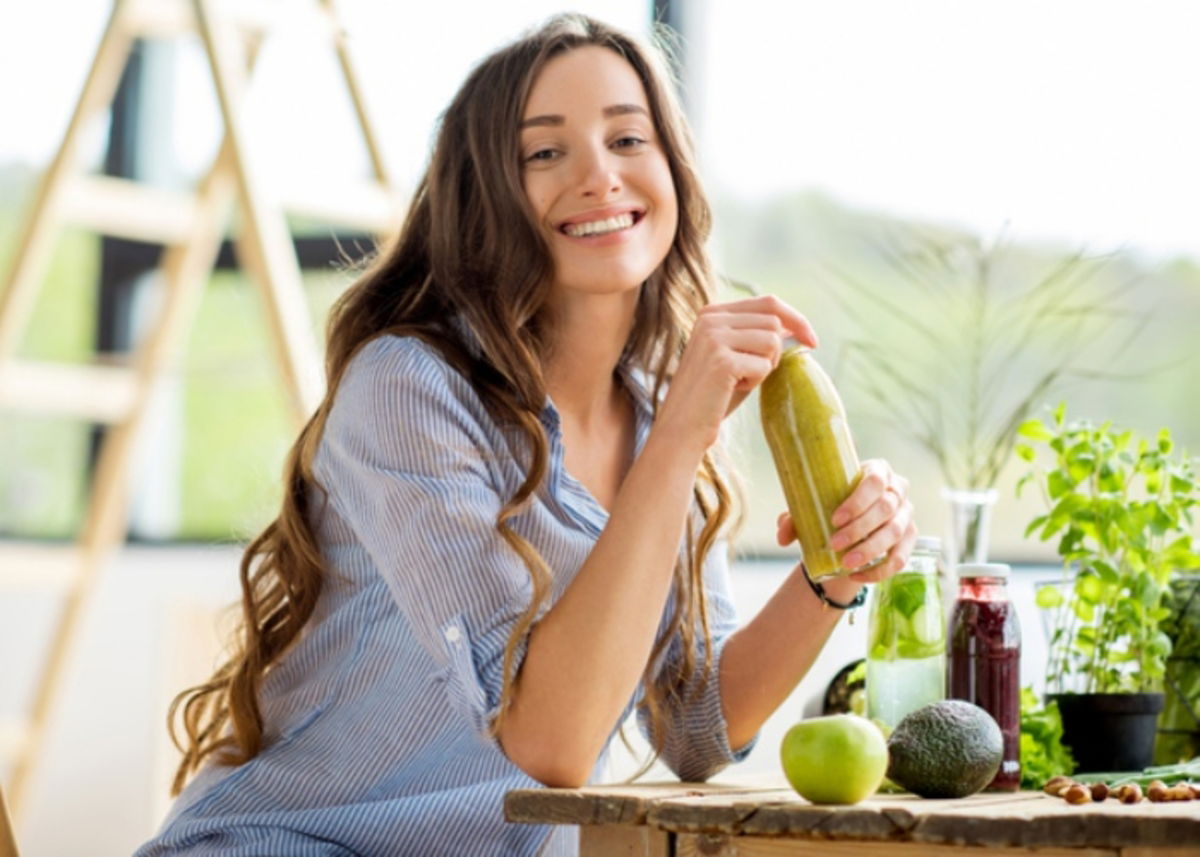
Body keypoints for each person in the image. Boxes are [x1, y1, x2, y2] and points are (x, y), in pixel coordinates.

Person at [137, 13, 915, 856]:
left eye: (628, 137)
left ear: (674, 173)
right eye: (545, 153)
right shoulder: (409, 388)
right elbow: (546, 745)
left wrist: (832, 572)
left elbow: (695, 724)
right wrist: (681, 435)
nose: (598, 176)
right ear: (484, 200)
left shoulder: (660, 410)